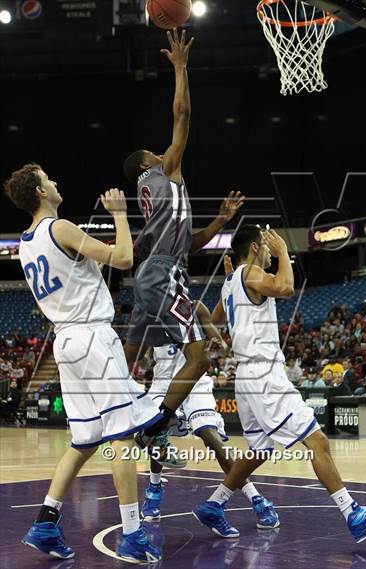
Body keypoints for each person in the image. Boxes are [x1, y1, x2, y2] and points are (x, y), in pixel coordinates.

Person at [193, 225, 366, 543]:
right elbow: (286, 287)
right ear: (255, 248)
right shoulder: (248, 273)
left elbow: (216, 321)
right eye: (266, 244)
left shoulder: (232, 280)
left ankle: (213, 504)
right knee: (318, 443)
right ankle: (353, 514)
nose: (271, 249)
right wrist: (285, 252)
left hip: (245, 378)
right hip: (264, 376)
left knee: (259, 451)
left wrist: (229, 286)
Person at [4, 163, 163, 562]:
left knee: (84, 441)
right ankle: (132, 535)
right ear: (41, 192)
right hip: (92, 337)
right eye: (48, 180)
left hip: (65, 342)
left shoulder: (25, 243)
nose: (56, 182)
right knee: (123, 435)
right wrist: (121, 214)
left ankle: (45, 522)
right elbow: (124, 258)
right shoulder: (60, 228)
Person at [122, 30, 244, 448]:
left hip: (153, 273)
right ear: (146, 163)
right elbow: (182, 116)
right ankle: (158, 425)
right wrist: (180, 68)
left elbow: (189, 243)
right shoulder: (161, 172)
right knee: (199, 356)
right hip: (165, 274)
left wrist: (218, 222)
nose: (164, 151)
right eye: (156, 152)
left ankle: (118, 410)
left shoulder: (154, 196)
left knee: (133, 354)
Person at [141, 300, 278, 530]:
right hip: (163, 383)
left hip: (195, 383)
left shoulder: (196, 307)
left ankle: (255, 498)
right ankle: (154, 488)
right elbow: (144, 354)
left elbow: (221, 347)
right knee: (157, 431)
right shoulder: (152, 311)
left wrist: (213, 340)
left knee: (211, 437)